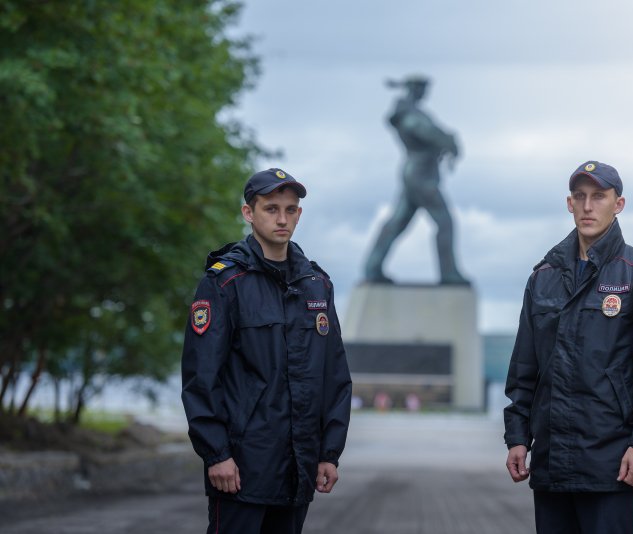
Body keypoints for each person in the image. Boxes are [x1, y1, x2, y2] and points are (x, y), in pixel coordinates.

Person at [503, 161, 633, 534]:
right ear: (569, 204)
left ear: (618, 204)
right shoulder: (543, 279)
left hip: (614, 464)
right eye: (580, 197)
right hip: (552, 465)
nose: (588, 206)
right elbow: (525, 367)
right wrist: (518, 437)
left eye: (598, 197)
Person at [181, 168, 352, 534]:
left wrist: (328, 453)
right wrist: (217, 454)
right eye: (271, 208)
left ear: (299, 215)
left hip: (298, 469)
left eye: (290, 210)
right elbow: (201, 376)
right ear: (248, 213)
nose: (282, 219)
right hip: (242, 468)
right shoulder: (225, 282)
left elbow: (334, 375)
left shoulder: (316, 285)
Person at [363, 75, 469, 285]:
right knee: (445, 222)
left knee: (397, 223)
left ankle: (372, 266)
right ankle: (449, 273)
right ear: (414, 89)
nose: (425, 93)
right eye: (422, 88)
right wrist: (447, 139)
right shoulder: (407, 114)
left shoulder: (411, 112)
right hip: (420, 175)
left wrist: (446, 139)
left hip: (419, 173)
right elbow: (423, 131)